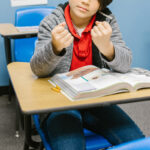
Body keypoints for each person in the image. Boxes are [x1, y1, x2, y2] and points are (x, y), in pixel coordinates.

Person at [30, 0, 145, 149]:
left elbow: (125, 64)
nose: (85, 1)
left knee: (136, 142)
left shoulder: (106, 20)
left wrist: (107, 47)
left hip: (96, 101)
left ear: (102, 4)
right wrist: (54, 47)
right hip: (59, 104)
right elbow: (37, 69)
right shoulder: (52, 21)